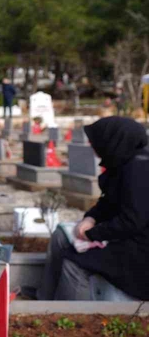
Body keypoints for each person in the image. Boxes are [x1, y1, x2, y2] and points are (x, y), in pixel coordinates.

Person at [38, 117, 149, 301]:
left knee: (74, 265)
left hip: (139, 250)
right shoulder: (123, 160)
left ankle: (65, 314)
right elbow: (108, 202)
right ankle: (44, 299)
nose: (92, 146)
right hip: (123, 236)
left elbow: (132, 221)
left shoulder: (139, 169)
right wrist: (90, 219)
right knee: (60, 237)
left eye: (96, 142)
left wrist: (92, 234)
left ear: (112, 141)